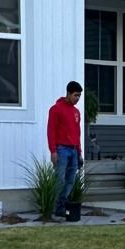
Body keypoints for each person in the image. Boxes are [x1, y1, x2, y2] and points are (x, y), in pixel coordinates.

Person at [47, 80, 83, 219]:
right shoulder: (56, 109)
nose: (77, 98)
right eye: (75, 95)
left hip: (73, 150)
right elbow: (51, 131)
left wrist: (79, 152)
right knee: (59, 179)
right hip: (61, 149)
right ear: (68, 93)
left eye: (79, 96)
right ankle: (54, 205)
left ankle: (61, 207)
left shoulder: (76, 112)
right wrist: (53, 151)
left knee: (70, 180)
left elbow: (77, 132)